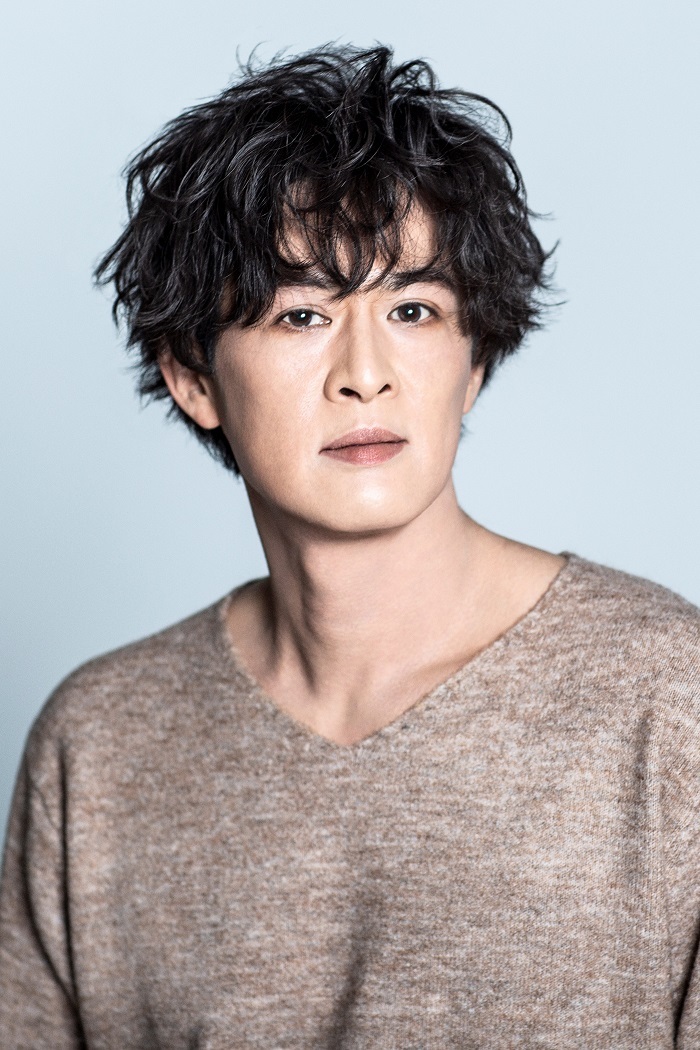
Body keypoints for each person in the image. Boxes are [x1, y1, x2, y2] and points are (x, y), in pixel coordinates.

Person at [1, 43, 698, 1049]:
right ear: (193, 378)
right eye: (301, 315)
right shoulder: (100, 743)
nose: (365, 373)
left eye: (413, 310)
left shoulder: (668, 698)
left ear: (473, 362)